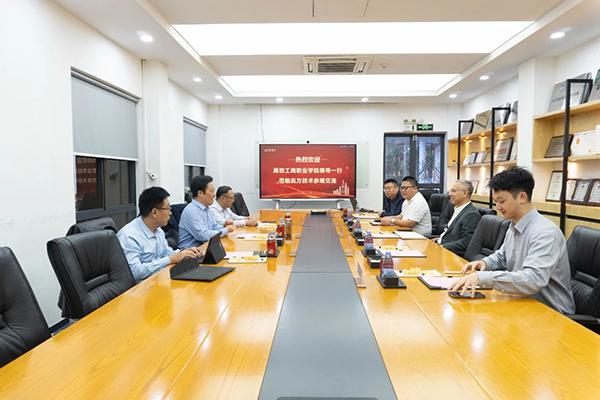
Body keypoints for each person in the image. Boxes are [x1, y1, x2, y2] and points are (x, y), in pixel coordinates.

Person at [447, 166, 575, 314]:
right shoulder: (514, 225)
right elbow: (503, 257)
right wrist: (484, 263)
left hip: (550, 312)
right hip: (522, 302)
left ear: (522, 197)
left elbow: (534, 279)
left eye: (501, 201)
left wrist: (484, 278)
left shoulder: (545, 233)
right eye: (495, 201)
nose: (497, 207)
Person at [117, 187, 206, 283]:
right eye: (168, 208)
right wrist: (170, 259)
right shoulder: (129, 236)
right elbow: (134, 272)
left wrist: (185, 252)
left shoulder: (158, 230)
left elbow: (166, 253)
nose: (170, 213)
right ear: (154, 212)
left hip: (159, 279)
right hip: (141, 287)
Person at [179, 175, 236, 248]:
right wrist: (225, 230)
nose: (214, 195)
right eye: (212, 191)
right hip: (190, 251)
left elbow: (214, 226)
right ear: (200, 193)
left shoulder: (207, 208)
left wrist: (224, 226)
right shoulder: (192, 211)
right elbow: (204, 236)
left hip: (206, 247)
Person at [434, 179, 481, 257]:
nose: (449, 194)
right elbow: (454, 235)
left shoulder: (471, 214)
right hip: (441, 248)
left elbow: (466, 242)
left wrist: (441, 246)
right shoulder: (457, 209)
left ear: (464, 193)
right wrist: (440, 239)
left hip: (451, 255)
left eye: (453, 191)